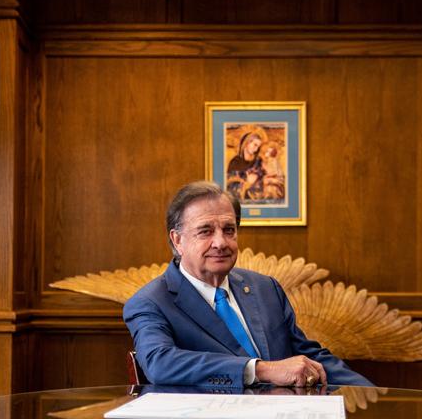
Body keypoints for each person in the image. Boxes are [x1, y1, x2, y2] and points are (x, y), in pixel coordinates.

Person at [123, 180, 371, 388]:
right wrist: (260, 370)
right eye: (205, 231)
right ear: (177, 240)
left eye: (229, 230)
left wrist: (376, 395)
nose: (221, 242)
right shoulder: (150, 302)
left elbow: (309, 356)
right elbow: (160, 363)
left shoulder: (266, 289)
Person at [226, 131, 266, 201]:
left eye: (258, 147)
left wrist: (257, 177)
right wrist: (246, 181)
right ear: (247, 143)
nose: (256, 149)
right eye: (255, 145)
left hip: (256, 197)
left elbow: (263, 175)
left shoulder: (258, 161)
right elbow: (229, 183)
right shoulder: (235, 162)